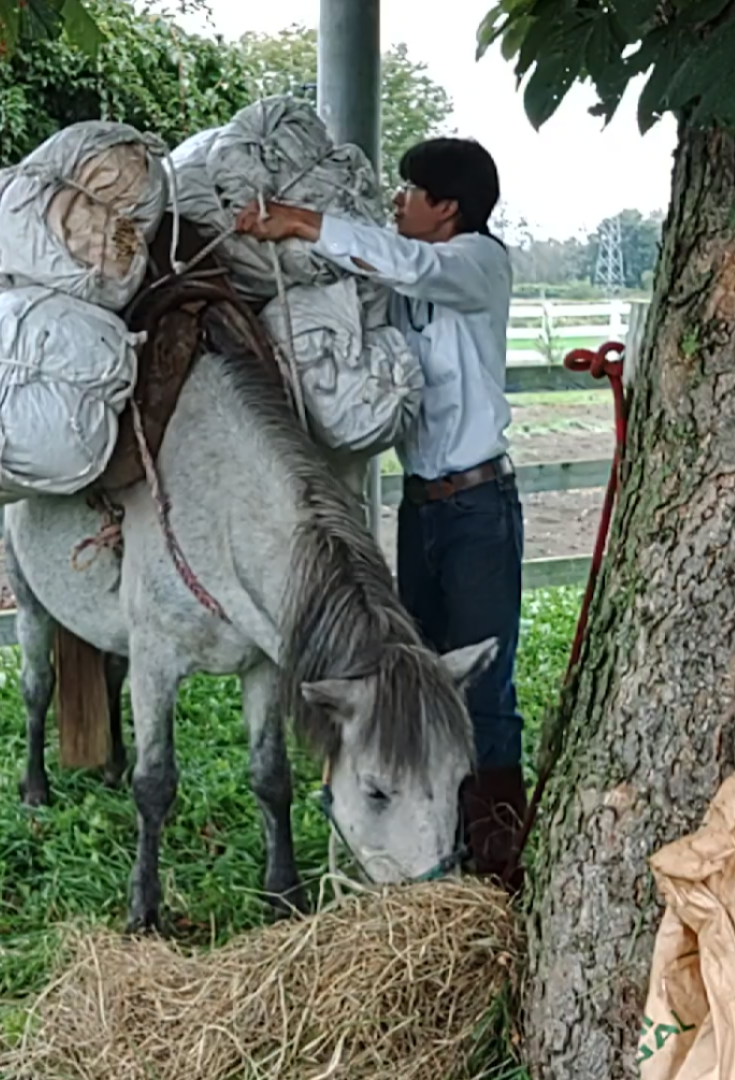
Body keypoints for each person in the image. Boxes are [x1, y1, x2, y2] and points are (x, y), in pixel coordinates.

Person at [233, 137, 528, 890]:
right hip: (423, 508)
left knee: (484, 688)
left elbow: (406, 263)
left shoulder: (476, 264)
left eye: (410, 191)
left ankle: (497, 857)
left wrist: (303, 221)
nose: (398, 203)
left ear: (448, 208)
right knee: (410, 678)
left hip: (477, 509)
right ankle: (416, 838)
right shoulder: (405, 274)